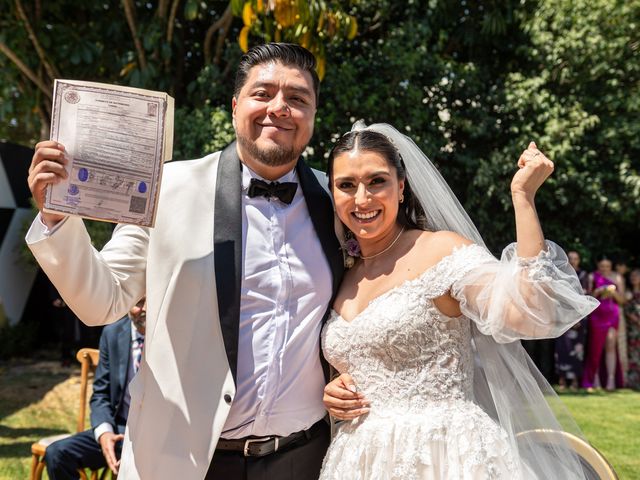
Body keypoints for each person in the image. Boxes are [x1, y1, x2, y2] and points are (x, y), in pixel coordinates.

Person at [26, 43, 343, 480]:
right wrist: (57, 218)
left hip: (304, 456)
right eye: (263, 93)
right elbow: (103, 299)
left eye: (297, 98)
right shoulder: (166, 188)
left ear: (312, 115)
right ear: (235, 107)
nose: (279, 108)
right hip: (184, 461)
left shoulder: (340, 202)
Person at [319, 123, 598, 479]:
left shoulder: (442, 251)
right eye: (347, 185)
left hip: (444, 455)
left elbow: (529, 313)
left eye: (377, 181)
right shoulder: (345, 273)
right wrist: (335, 389)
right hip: (359, 459)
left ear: (401, 187)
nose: (362, 199)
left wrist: (523, 198)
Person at [45, 298, 146, 479]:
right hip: (120, 429)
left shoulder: (173, 338)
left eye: (151, 300)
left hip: (156, 434)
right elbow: (101, 394)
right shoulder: (112, 333)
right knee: (57, 454)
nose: (145, 308)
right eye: (139, 302)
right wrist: (105, 433)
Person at [582, 255, 625, 391]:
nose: (605, 269)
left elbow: (622, 300)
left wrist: (613, 293)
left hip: (612, 315)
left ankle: (611, 379)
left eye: (607, 266)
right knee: (595, 348)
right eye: (602, 267)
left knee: (611, 345)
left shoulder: (618, 277)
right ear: (598, 266)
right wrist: (598, 291)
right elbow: (588, 298)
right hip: (597, 316)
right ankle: (594, 379)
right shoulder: (592, 276)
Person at [554, 250, 588, 390]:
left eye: (576, 258)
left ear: (579, 260)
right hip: (562, 316)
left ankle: (574, 381)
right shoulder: (559, 274)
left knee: (576, 350)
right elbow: (557, 297)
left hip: (578, 318)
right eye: (570, 258)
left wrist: (578, 317)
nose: (573, 261)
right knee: (562, 348)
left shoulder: (583, 275)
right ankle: (562, 381)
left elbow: (585, 297)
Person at [624, 268, 640, 389]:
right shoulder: (627, 293)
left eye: (636, 276)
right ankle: (633, 382)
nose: (633, 278)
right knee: (633, 354)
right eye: (632, 276)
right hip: (633, 330)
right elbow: (627, 310)